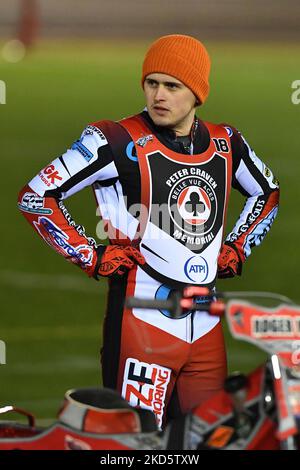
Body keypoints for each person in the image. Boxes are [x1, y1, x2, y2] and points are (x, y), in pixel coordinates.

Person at [18, 34, 279, 429]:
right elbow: (36, 195)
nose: (159, 95)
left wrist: (238, 247)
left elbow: (268, 192)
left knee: (211, 439)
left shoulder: (228, 144)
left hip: (206, 327)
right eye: (151, 83)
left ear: (197, 93)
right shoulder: (114, 139)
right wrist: (89, 254)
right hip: (143, 325)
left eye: (172, 86)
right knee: (137, 443)